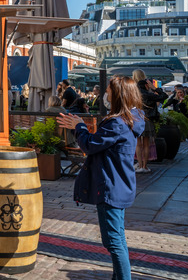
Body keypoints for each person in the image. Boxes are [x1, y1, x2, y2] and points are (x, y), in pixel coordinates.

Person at [56, 76, 144, 280]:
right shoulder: (131, 119)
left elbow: (89, 145)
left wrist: (79, 126)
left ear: (118, 95)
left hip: (111, 187)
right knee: (117, 238)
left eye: (109, 91)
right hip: (119, 185)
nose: (105, 94)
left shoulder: (117, 124)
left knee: (112, 241)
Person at [132, 69, 166, 173]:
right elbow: (164, 97)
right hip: (147, 119)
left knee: (138, 144)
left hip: (136, 118)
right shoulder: (147, 93)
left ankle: (139, 164)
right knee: (146, 144)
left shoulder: (133, 91)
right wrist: (154, 88)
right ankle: (144, 166)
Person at [162, 88, 188, 153]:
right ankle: (174, 148)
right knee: (176, 134)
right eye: (178, 92)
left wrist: (182, 102)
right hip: (177, 119)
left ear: (184, 93)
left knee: (187, 133)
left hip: (186, 119)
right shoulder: (175, 100)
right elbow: (167, 103)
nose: (180, 94)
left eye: (181, 92)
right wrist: (162, 107)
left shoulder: (187, 100)